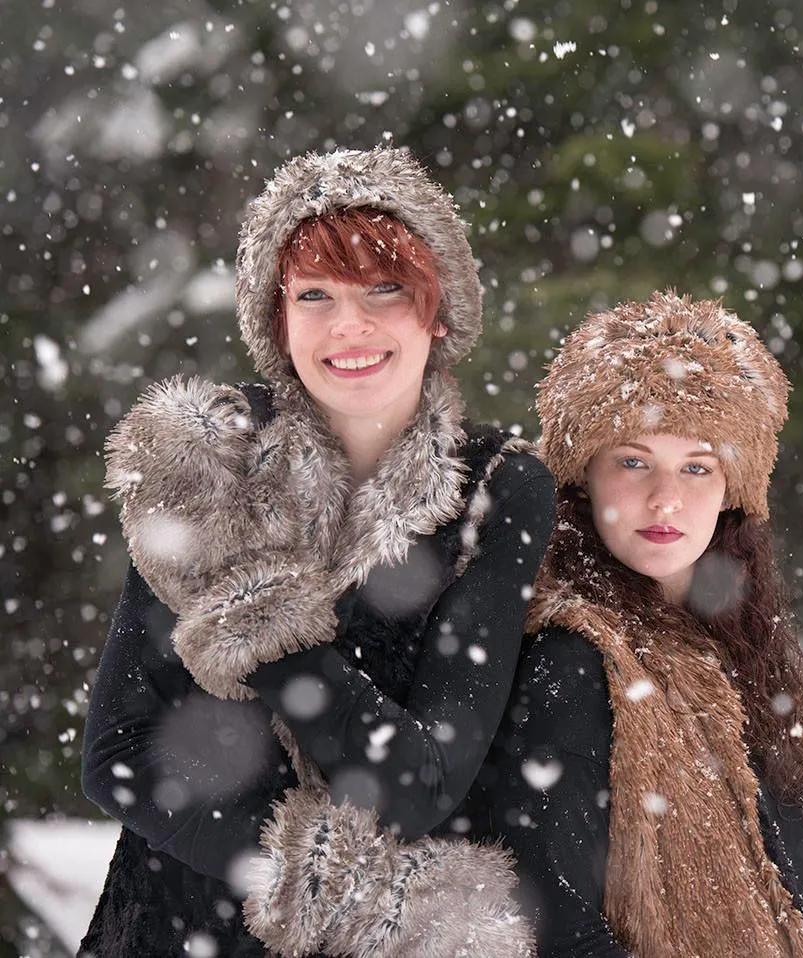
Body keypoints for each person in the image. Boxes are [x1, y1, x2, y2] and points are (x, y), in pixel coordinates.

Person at [79, 147, 554, 958]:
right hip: (170, 926)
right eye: (314, 296)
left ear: (439, 313)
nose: (349, 327)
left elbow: (419, 785)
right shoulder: (202, 463)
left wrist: (262, 628)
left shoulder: (499, 490)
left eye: (385, 290)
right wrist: (300, 887)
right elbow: (119, 757)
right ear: (278, 320)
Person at [491, 291, 803, 957]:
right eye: (633, 460)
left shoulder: (738, 651)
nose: (665, 497)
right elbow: (556, 927)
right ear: (583, 477)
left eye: (697, 466)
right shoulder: (570, 659)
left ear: (733, 489)